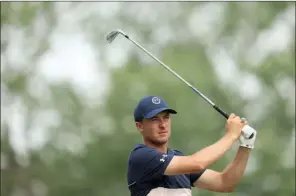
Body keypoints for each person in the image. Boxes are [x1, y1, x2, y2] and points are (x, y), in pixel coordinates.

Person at [127, 95, 257, 196]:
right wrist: (231, 136)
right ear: (140, 126)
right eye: (155, 119)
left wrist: (246, 146)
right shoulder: (141, 157)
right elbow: (197, 163)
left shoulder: (178, 158)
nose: (162, 125)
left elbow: (224, 183)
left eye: (166, 118)